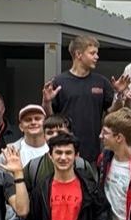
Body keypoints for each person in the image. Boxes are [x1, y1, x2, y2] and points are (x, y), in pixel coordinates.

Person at [43, 34, 125, 163]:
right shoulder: (59, 82)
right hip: (64, 153)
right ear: (78, 54)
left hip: (93, 154)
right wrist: (46, 102)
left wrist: (120, 95)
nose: (97, 57)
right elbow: (50, 119)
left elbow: (112, 113)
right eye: (92, 53)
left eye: (96, 53)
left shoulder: (101, 82)